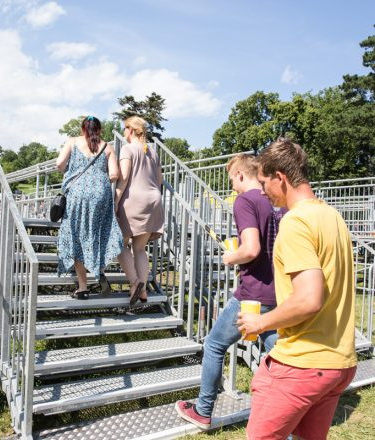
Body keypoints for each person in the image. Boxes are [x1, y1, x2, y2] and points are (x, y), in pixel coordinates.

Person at [238, 138, 357, 439]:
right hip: (338, 363)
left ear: (281, 177)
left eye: (264, 182)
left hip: (303, 363)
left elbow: (308, 300)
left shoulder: (296, 222)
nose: (262, 192)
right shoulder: (333, 216)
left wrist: (260, 322)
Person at [176, 154, 285, 430]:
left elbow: (251, 249)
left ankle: (202, 410)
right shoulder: (276, 204)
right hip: (278, 293)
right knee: (279, 355)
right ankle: (294, 410)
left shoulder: (245, 201)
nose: (232, 187)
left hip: (252, 296)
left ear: (239, 174)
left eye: (231, 180)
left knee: (214, 345)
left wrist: (231, 257)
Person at [56, 116, 123, 299]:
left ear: (83, 129)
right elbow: (115, 174)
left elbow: (59, 165)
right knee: (99, 234)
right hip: (101, 195)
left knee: (77, 236)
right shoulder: (107, 147)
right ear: (99, 130)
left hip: (77, 195)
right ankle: (99, 269)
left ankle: (83, 287)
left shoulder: (72, 141)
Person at [115, 116, 164, 305]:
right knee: (140, 249)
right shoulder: (152, 151)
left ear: (131, 130)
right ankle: (143, 290)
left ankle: (134, 283)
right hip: (153, 200)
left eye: (124, 129)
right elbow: (159, 180)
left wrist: (115, 200)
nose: (123, 133)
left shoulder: (128, 149)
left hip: (134, 200)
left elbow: (124, 177)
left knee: (119, 243)